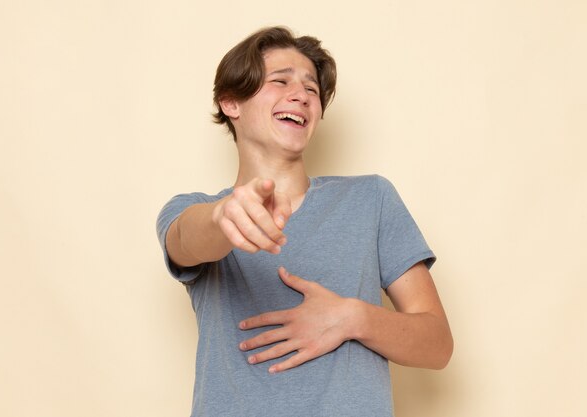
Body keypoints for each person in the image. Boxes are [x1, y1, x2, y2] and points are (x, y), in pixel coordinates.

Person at [156, 26, 453, 417]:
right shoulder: (195, 210)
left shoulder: (371, 199)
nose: (300, 95)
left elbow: (437, 345)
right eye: (280, 81)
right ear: (232, 103)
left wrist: (353, 317)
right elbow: (187, 240)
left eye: (311, 90)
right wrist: (224, 215)